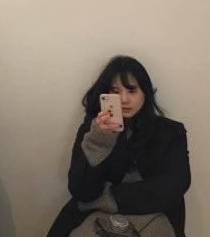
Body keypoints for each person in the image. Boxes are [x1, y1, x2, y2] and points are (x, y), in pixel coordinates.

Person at [47, 56, 191, 237]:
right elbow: (81, 191)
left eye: (132, 90)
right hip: (95, 217)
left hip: (153, 215)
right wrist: (99, 141)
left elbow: (173, 186)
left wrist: (108, 198)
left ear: (145, 92)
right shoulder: (92, 129)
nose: (124, 99)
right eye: (115, 91)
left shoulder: (171, 132)